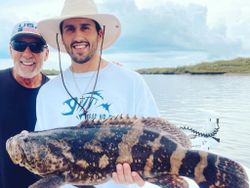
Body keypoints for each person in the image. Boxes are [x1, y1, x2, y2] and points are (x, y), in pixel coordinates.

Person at [35, 0, 159, 187]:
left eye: (85, 27)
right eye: (70, 29)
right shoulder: (47, 93)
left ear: (99, 33)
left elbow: (157, 137)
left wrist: (144, 175)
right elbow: (42, 154)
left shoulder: (131, 82)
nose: (78, 36)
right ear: (61, 37)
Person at [0, 21, 49, 188]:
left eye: (36, 46)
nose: (27, 53)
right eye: (19, 45)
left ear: (46, 54)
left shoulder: (56, 94)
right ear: (10, 50)